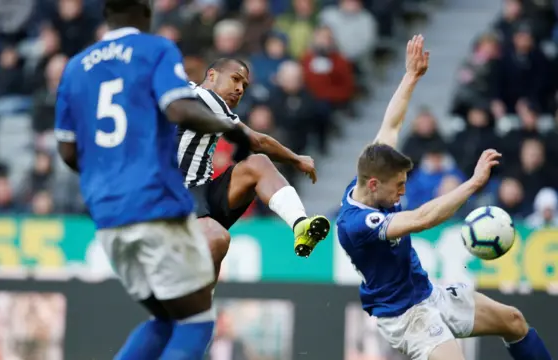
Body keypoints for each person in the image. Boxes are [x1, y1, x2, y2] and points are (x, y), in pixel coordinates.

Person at [54, 0, 252, 359]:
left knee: (165, 320)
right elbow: (178, 108)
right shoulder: (155, 48)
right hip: (154, 205)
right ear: (146, 13)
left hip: (107, 215)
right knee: (197, 322)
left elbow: (68, 152)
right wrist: (231, 129)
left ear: (106, 15)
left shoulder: (75, 67)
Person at [336, 35, 551, 360]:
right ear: (376, 184)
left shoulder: (371, 172)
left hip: (428, 294)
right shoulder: (357, 224)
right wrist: (473, 183)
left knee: (514, 321)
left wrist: (411, 76)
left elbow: (390, 125)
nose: (403, 192)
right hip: (405, 317)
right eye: (398, 186)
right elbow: (423, 219)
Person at [178, 57, 331, 278]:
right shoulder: (204, 97)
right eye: (235, 79)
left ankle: (300, 225)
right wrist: (296, 159)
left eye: (244, 85)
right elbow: (258, 141)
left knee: (258, 164)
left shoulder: (202, 103)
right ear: (211, 76)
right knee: (216, 237)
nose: (240, 89)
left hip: (202, 194)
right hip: (175, 195)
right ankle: (197, 306)